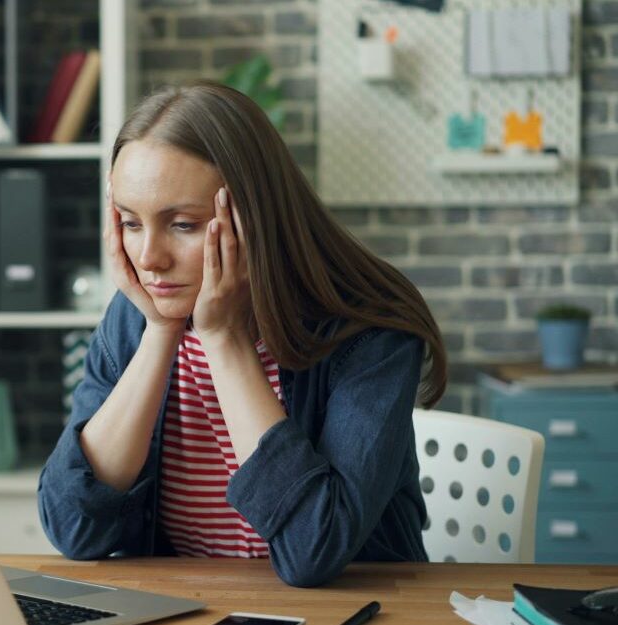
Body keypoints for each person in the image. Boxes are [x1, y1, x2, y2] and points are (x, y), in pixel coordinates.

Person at [37, 81, 447, 588]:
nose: (148, 258)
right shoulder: (139, 316)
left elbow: (311, 551)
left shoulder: (368, 332)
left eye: (183, 225)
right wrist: (161, 332)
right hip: (191, 607)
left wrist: (225, 339)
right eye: (129, 222)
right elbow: (72, 527)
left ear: (256, 216)